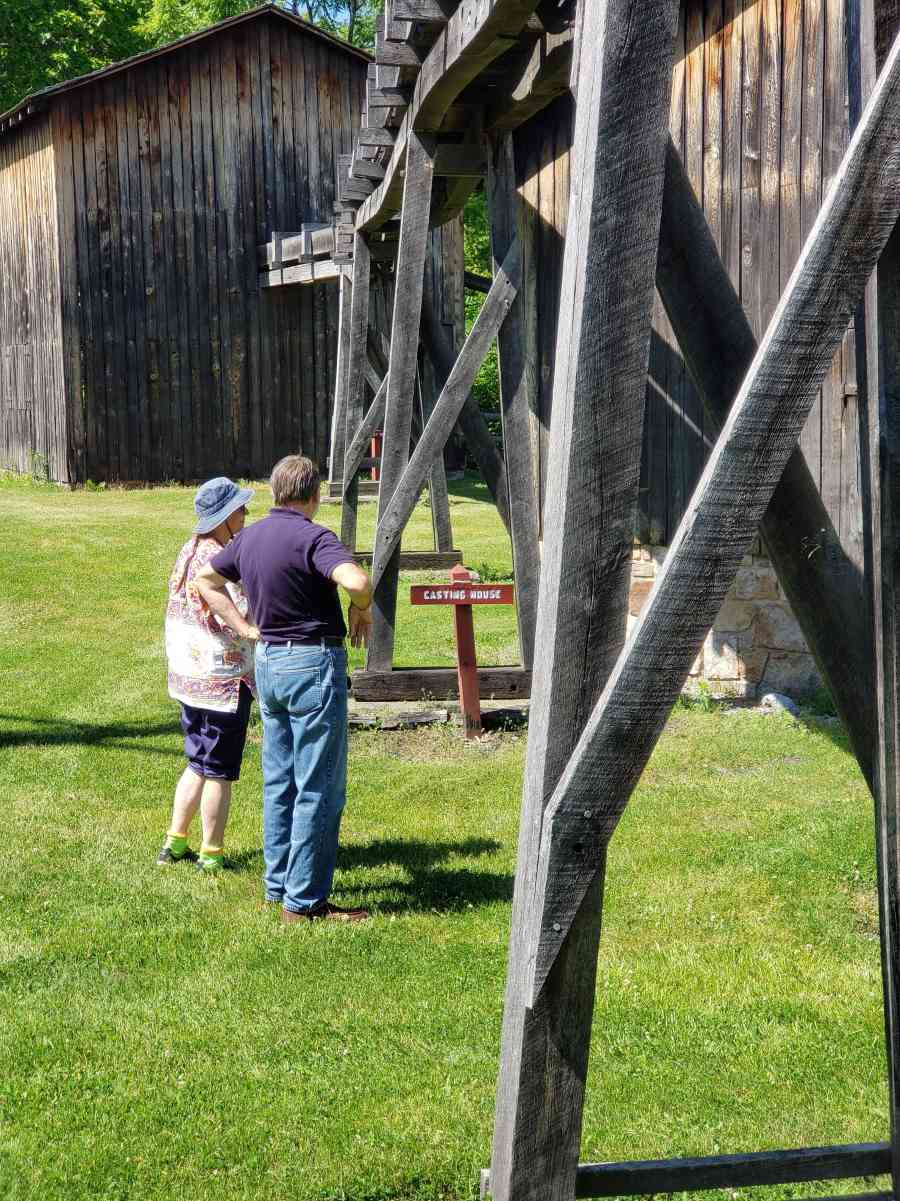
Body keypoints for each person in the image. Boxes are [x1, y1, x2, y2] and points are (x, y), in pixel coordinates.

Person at [194, 455, 373, 922]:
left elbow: (206, 579)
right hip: (312, 664)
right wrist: (362, 608)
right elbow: (357, 579)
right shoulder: (315, 537)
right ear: (314, 495)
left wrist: (242, 625)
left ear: (275, 492)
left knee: (280, 781)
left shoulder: (248, 537)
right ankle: (305, 902)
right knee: (319, 786)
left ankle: (277, 886)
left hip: (269, 664)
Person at [158, 477, 258, 873]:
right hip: (221, 681)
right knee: (219, 771)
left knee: (197, 760)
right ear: (225, 517)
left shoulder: (189, 549)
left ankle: (174, 841)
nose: (246, 514)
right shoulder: (219, 559)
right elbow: (242, 611)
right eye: (241, 509)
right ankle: (212, 853)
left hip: (187, 677)